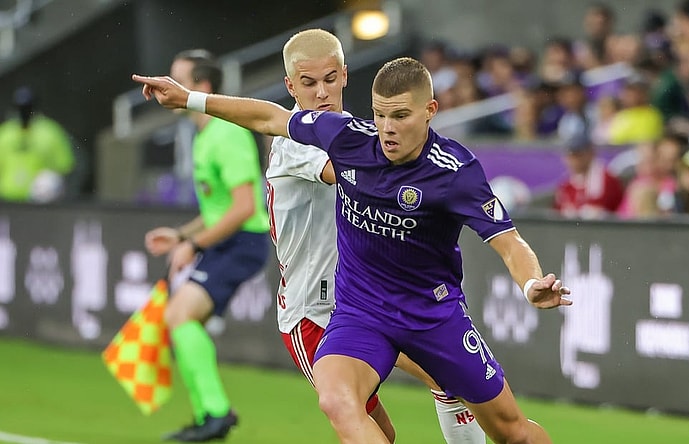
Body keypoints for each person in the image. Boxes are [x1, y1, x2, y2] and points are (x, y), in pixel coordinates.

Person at [133, 54, 572, 444]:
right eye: (380, 115)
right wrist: (189, 98)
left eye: (400, 115)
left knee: (512, 431)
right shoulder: (348, 139)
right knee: (338, 402)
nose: (387, 128)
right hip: (361, 316)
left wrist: (531, 282)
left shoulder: (455, 172)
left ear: (430, 111)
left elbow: (508, 241)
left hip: (431, 317)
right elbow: (269, 117)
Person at [268, 29, 485, 443]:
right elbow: (363, 177)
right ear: (290, 86)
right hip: (313, 310)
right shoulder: (293, 139)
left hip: (368, 301)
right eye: (308, 83)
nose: (321, 92)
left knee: (449, 379)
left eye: (330, 78)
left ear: (346, 75)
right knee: (374, 432)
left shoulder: (362, 133)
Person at [142, 49, 270, 442]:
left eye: (177, 78)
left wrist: (192, 244)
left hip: (242, 242)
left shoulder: (226, 132)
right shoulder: (204, 133)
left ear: (203, 87)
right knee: (179, 317)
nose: (167, 84)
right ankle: (209, 416)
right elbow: (220, 209)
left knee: (180, 315)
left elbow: (245, 208)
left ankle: (214, 414)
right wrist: (182, 235)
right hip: (226, 241)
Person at [0, 86, 74, 202]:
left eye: (27, 108)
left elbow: (65, 166)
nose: (24, 113)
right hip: (6, 200)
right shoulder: (5, 133)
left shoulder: (50, 132)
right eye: (21, 108)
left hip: (40, 202)